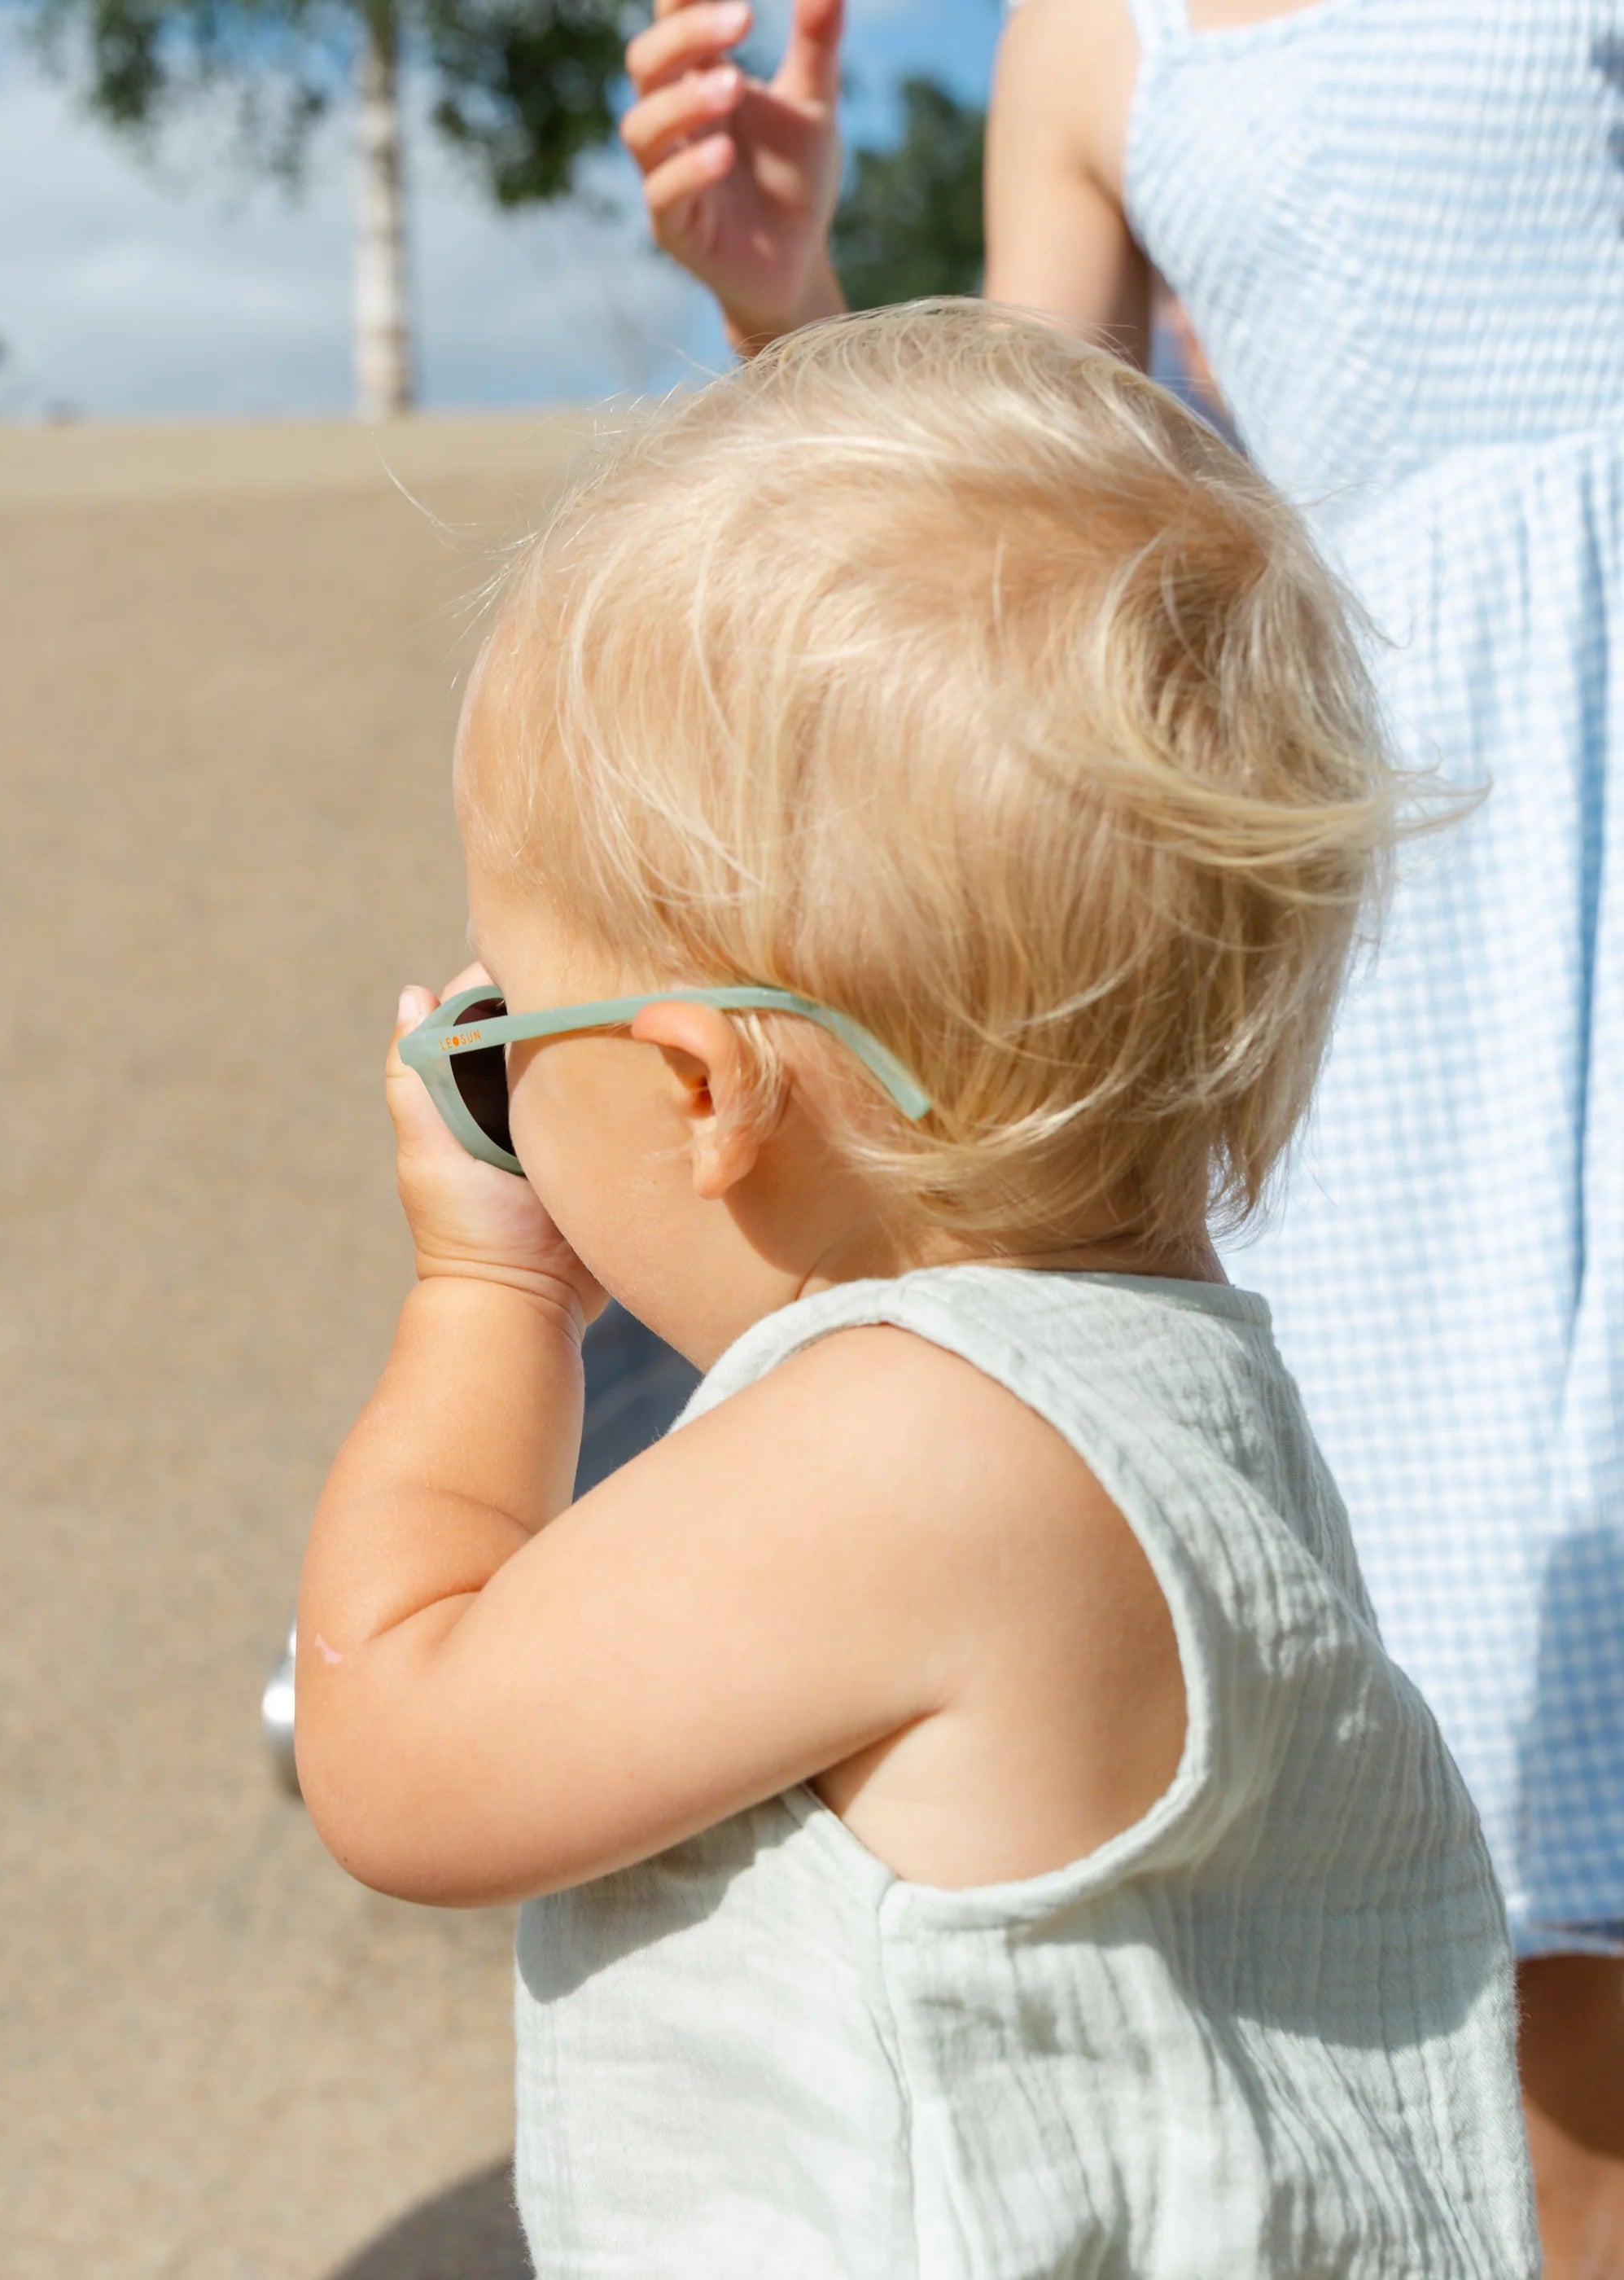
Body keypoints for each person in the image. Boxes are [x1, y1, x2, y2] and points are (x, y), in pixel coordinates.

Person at [296, 305, 1534, 2275]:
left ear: (699, 1090)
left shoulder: (900, 1444)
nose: (494, 1077)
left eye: (504, 1027)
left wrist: (480, 1295)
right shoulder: (1172, 1388)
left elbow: (392, 1750)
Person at [619, 2, 1624, 2265]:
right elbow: (1028, 554)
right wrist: (784, 315)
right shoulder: (1094, 35)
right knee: (1513, 1874)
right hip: (1413, 918)